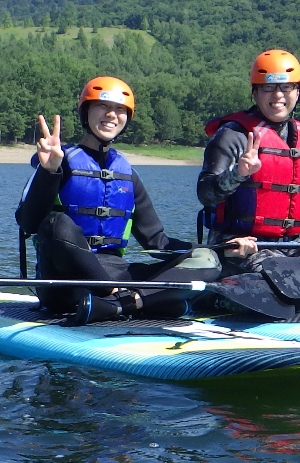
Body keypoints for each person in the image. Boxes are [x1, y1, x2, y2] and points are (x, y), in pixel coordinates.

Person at [15, 76, 219, 324]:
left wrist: (220, 249)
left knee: (208, 259)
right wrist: (49, 172)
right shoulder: (59, 161)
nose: (112, 115)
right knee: (57, 223)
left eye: (120, 109)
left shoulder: (128, 174)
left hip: (116, 275)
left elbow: (158, 241)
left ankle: (122, 303)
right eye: (103, 106)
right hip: (63, 281)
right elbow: (29, 224)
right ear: (86, 112)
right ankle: (142, 300)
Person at [197, 49, 300, 309]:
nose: (278, 95)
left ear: (298, 92)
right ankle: (222, 293)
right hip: (241, 247)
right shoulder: (232, 135)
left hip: (290, 247)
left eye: (286, 87)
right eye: (269, 88)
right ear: (255, 92)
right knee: (268, 287)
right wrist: (239, 174)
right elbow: (206, 193)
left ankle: (279, 300)